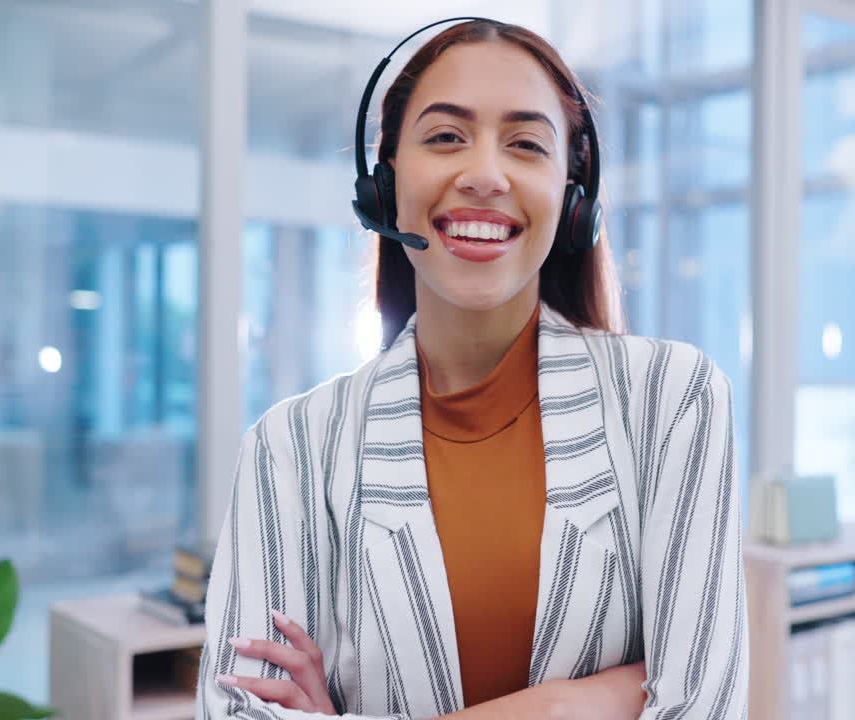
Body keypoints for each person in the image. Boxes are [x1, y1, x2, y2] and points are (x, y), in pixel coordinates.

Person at [197, 17, 747, 720]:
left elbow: (705, 708)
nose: (485, 176)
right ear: (384, 183)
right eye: (446, 136)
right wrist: (583, 703)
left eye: (525, 144)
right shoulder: (289, 445)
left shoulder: (674, 400)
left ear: (573, 200)